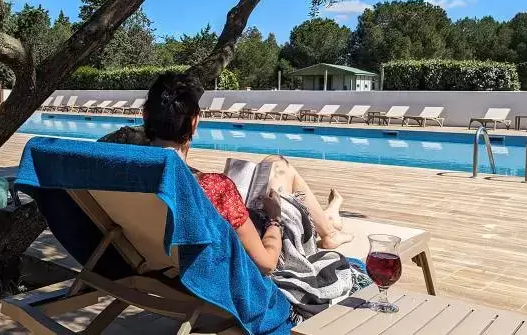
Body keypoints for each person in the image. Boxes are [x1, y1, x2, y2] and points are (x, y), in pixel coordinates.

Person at [100, 72, 363, 318]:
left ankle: (330, 222)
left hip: (159, 259)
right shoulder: (213, 187)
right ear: (195, 122)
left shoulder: (122, 172)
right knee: (282, 181)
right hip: (211, 273)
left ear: (145, 116)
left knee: (276, 166)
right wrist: (274, 219)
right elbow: (267, 264)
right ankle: (329, 227)